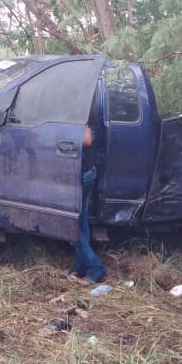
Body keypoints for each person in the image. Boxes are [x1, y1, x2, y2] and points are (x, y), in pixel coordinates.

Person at [71, 115, 106, 284]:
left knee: (69, 226)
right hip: (83, 174)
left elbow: (86, 140)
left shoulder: (83, 108)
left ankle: (97, 267)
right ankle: (80, 268)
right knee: (81, 222)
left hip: (80, 176)